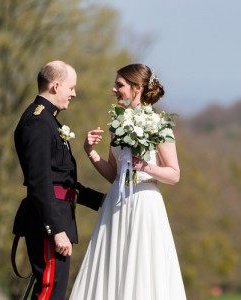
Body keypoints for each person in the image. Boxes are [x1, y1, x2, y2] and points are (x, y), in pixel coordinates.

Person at [69, 64, 186, 299]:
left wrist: (147, 168)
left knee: (142, 267)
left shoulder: (159, 124)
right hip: (116, 203)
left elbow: (174, 174)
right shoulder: (116, 125)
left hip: (145, 204)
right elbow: (114, 173)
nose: (114, 89)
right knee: (111, 266)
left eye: (119, 85)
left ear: (137, 88)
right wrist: (90, 152)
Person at [12, 60, 105, 300]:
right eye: (71, 87)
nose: (74, 93)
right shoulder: (38, 122)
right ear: (55, 86)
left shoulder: (48, 121)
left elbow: (63, 182)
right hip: (49, 223)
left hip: (56, 218)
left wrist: (104, 200)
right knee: (49, 292)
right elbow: (40, 181)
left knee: (53, 291)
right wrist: (55, 229)